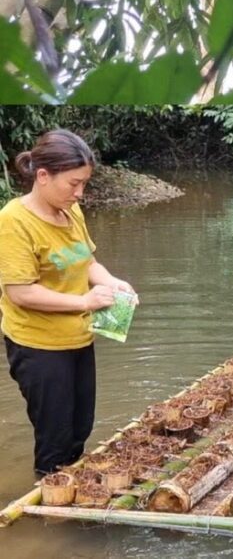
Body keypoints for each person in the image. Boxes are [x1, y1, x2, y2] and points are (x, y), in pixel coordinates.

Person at [0, 129, 136, 476]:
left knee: (80, 429)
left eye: (84, 184)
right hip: (38, 347)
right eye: (73, 183)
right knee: (55, 440)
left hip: (78, 340)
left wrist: (113, 283)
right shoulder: (14, 221)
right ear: (42, 176)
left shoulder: (70, 211)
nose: (79, 193)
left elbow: (88, 262)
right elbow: (20, 292)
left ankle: (70, 492)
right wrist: (85, 302)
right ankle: (51, 515)